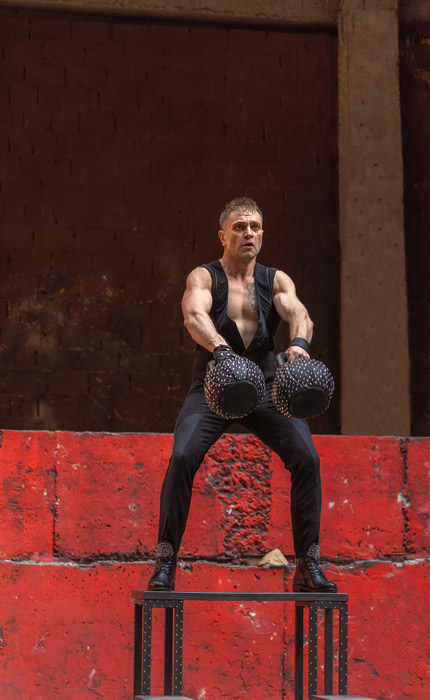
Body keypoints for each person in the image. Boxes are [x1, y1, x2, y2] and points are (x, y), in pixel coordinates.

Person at [147, 197, 337, 593]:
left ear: (262, 234)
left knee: (307, 459)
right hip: (214, 386)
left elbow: (298, 313)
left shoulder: (275, 280)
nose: (248, 233)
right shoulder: (205, 277)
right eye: (239, 227)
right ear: (223, 236)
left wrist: (299, 344)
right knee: (182, 457)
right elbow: (194, 315)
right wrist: (221, 349)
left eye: (254, 227)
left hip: (265, 389)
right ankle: (165, 563)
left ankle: (308, 566)